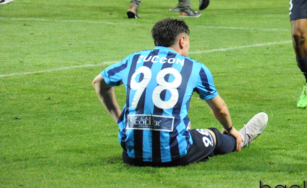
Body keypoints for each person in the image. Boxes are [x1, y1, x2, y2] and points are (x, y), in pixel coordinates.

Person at [92, 18, 268, 167]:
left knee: (181, 123)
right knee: (214, 136)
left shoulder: (134, 59)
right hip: (175, 153)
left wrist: (119, 118)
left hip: (131, 154)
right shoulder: (194, 67)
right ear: (182, 40)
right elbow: (220, 110)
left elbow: (98, 82)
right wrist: (230, 128)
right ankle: (242, 138)